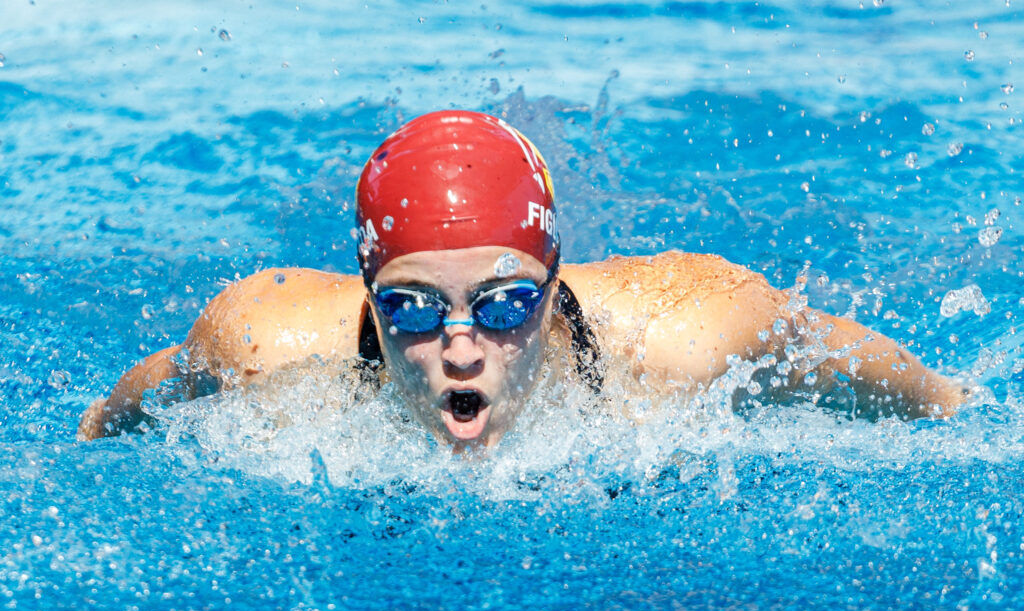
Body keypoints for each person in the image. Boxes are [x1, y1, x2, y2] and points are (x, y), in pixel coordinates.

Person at [77, 110, 966, 446]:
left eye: (503, 303)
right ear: (368, 293)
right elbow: (149, 391)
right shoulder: (265, 343)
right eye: (412, 307)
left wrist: (956, 407)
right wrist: (90, 434)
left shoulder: (686, 337)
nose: (461, 347)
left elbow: (850, 362)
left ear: (549, 281)